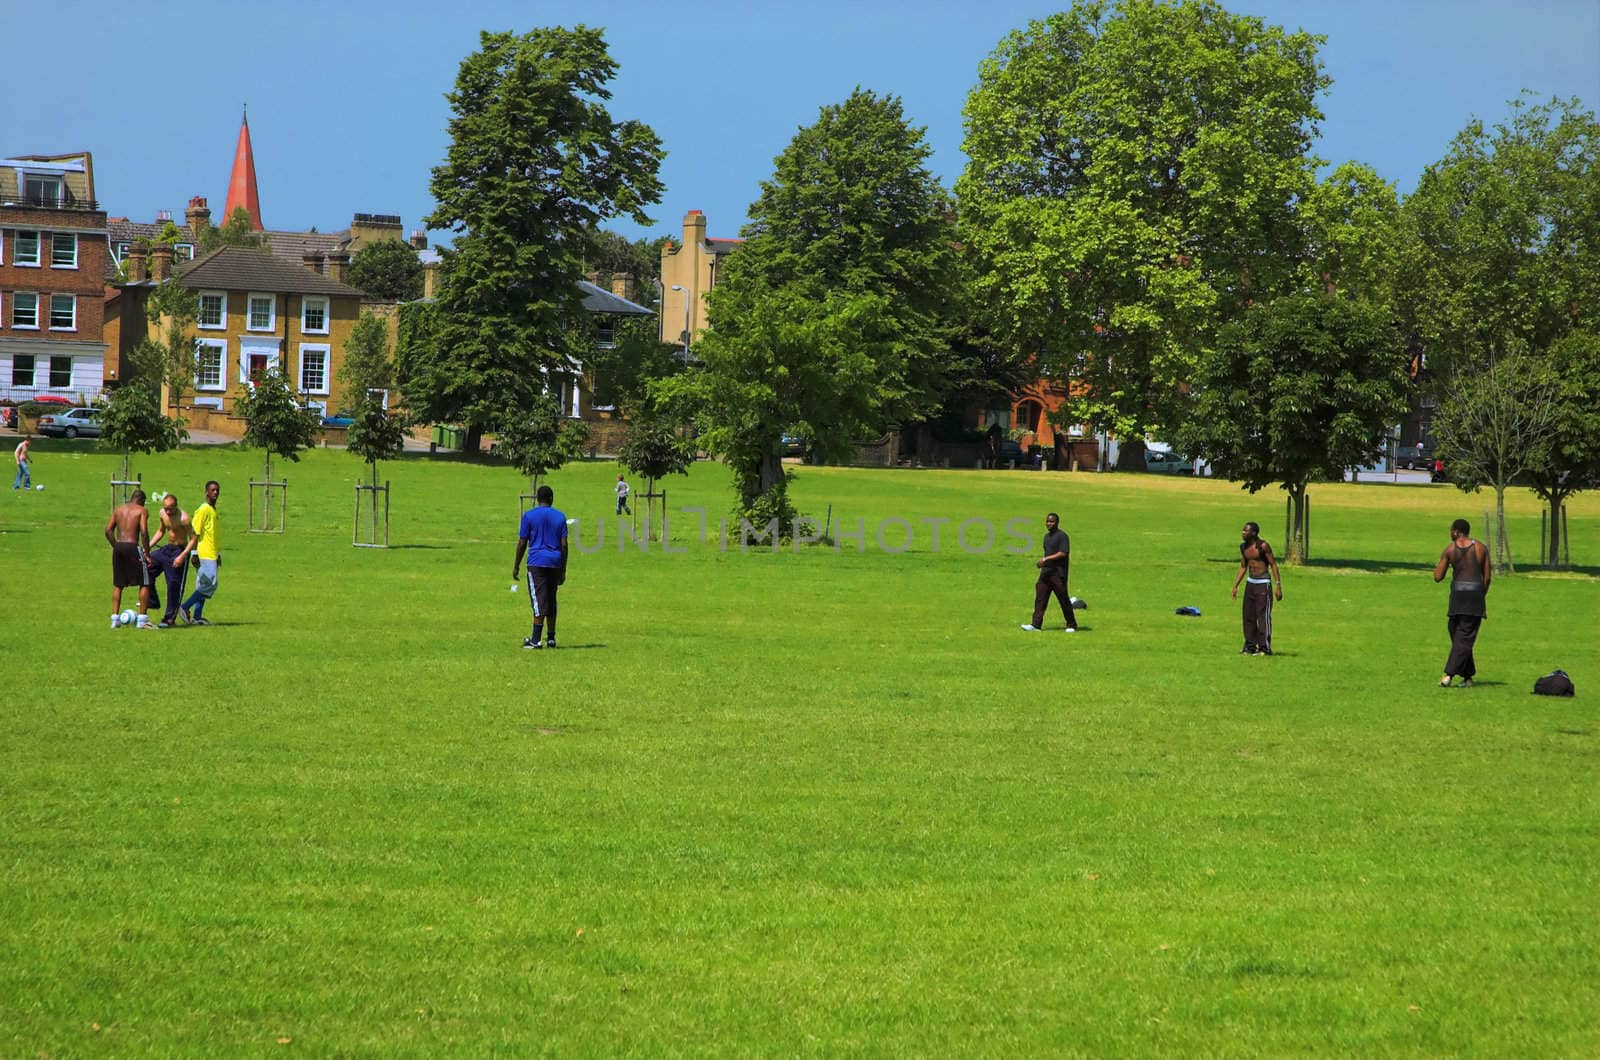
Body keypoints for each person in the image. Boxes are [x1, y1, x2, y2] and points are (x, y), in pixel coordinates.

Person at [1433, 518, 1491, 688]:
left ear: (1456, 531)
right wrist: (1481, 595)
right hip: (1475, 595)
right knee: (1460, 636)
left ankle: (1448, 674)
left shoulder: (1450, 549)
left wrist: (1445, 562)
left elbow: (1437, 577)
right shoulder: (1481, 548)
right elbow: (1487, 577)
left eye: (1451, 530)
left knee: (1461, 637)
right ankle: (1467, 677)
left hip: (1458, 595)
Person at [513, 484, 568, 649]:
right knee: (551, 599)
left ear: (538, 499)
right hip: (555, 562)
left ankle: (536, 640)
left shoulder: (529, 516)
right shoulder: (560, 517)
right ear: (551, 499)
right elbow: (564, 545)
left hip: (536, 562)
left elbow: (522, 542)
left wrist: (516, 565)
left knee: (538, 600)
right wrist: (563, 569)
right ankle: (551, 638)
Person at [104, 488, 155, 629]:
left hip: (119, 546)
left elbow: (108, 530)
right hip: (133, 546)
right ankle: (142, 620)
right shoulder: (141, 511)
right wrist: (147, 553)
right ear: (142, 501)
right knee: (145, 582)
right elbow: (144, 532)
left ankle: (114, 619)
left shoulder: (118, 509)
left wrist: (116, 545)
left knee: (118, 584)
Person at [1231, 521, 1283, 655]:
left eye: (1245, 531)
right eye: (1243, 530)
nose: (1243, 533)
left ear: (1253, 533)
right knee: (1248, 616)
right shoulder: (1243, 547)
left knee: (1262, 617)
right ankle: (1249, 647)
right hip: (1250, 583)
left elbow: (1273, 565)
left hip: (1263, 584)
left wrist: (1278, 586)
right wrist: (1236, 585)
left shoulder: (1263, 546)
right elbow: (1243, 566)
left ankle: (1264, 648)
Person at [1021, 511, 1078, 632]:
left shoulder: (1062, 536)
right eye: (1047, 521)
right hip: (1046, 573)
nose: (1049, 523)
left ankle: (1071, 625)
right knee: (1040, 598)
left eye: (1052, 521)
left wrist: (1045, 559)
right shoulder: (1046, 537)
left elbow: (1063, 553)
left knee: (1063, 599)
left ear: (1057, 522)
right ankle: (1036, 625)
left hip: (1058, 573)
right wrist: (1043, 563)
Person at [149, 493, 196, 628]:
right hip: (167, 549)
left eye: (170, 509)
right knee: (146, 567)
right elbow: (161, 531)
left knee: (173, 584)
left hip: (180, 550)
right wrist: (148, 547)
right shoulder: (162, 514)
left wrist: (182, 556)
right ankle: (152, 601)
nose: (167, 511)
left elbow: (193, 538)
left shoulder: (184, 518)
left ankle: (169, 619)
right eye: (165, 508)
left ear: (176, 506)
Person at [181, 480, 221, 626]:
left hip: (212, 553)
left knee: (203, 585)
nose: (215, 492)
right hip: (204, 553)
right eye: (212, 490)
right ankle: (184, 607)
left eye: (217, 490)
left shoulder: (212, 510)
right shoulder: (203, 509)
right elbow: (194, 533)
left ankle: (197, 616)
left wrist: (218, 554)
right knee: (210, 584)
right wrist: (193, 553)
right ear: (206, 492)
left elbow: (212, 534)